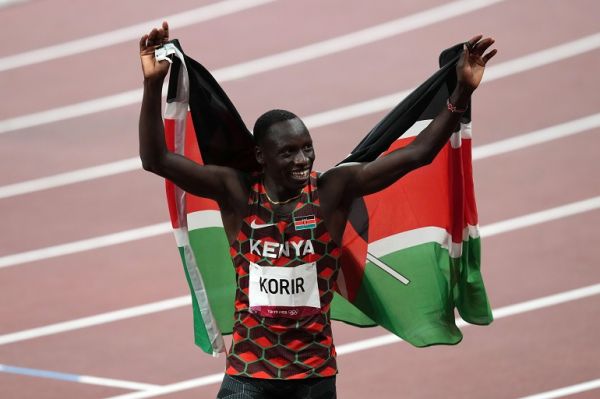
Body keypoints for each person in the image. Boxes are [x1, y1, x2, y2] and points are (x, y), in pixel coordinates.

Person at [139, 21, 496, 399]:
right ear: (261, 156)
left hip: (313, 376)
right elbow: (155, 159)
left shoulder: (331, 191)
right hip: (247, 372)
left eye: (307, 147)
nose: (303, 159)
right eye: (288, 151)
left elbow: (418, 154)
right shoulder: (238, 194)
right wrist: (152, 84)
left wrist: (461, 92)